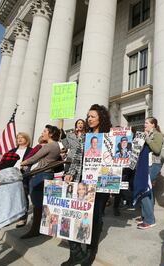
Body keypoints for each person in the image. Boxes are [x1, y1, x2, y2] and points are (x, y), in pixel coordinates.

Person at [62, 104, 112, 266]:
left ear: (101, 118)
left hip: (101, 183)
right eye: (88, 116)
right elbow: (77, 158)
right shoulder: (84, 136)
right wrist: (70, 173)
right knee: (75, 216)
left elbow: (115, 160)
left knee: (95, 217)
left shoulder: (110, 136)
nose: (89, 119)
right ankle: (75, 253)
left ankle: (90, 251)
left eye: (93, 116)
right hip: (82, 181)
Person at [20, 125, 61, 239]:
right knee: (41, 203)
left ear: (51, 134)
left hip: (40, 175)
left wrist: (22, 163)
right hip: (45, 174)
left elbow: (34, 158)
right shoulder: (56, 145)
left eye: (45, 131)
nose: (42, 133)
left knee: (37, 203)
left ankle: (35, 230)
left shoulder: (50, 145)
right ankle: (39, 228)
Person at [134, 117, 164, 229]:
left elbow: (156, 149)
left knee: (144, 188)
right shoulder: (148, 134)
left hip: (154, 165)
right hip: (146, 165)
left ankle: (149, 220)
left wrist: (146, 138)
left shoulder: (157, 135)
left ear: (153, 125)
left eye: (146, 123)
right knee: (148, 190)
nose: (144, 124)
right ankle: (145, 216)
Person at [8, 132, 33, 228]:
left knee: (23, 196)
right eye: (18, 138)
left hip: (23, 176)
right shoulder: (12, 150)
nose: (19, 139)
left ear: (27, 139)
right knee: (11, 197)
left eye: (22, 137)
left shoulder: (31, 151)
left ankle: (23, 218)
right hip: (11, 176)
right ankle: (11, 216)